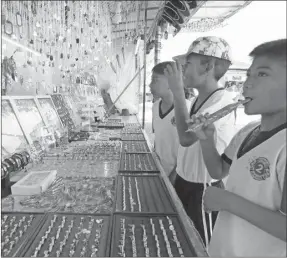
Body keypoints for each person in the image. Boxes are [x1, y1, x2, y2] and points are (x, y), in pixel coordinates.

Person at [192, 39, 286, 256]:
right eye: (248, 75)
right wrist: (207, 139)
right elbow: (218, 171)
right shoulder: (248, 131)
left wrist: (227, 201)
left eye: (262, 74)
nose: (247, 84)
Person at [163, 36, 238, 245]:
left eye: (188, 64)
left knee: (198, 245)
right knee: (180, 241)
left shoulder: (222, 103)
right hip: (185, 181)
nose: (183, 70)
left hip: (202, 190)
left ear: (209, 66)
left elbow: (186, 138)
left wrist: (178, 94)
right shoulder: (197, 99)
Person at [150, 62, 191, 183]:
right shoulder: (155, 106)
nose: (150, 85)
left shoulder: (187, 109)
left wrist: (173, 176)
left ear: (171, 83)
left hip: (179, 176)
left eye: (155, 80)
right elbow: (159, 138)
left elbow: (188, 150)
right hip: (160, 172)